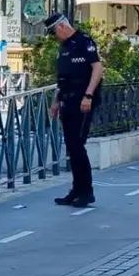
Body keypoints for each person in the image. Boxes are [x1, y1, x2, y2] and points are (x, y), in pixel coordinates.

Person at [46, 14, 104, 208]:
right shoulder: (64, 47)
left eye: (54, 32)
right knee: (72, 146)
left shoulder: (84, 41)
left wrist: (88, 95)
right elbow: (62, 78)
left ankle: (86, 192)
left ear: (62, 26)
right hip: (67, 101)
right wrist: (56, 101)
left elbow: (97, 68)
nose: (55, 37)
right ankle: (76, 190)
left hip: (82, 101)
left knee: (78, 145)